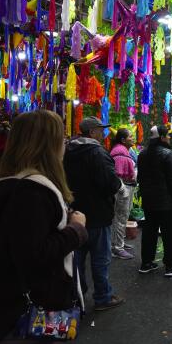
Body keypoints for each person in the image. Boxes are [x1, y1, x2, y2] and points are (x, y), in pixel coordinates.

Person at [0, 109, 88, 344]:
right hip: (26, 315)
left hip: (9, 309)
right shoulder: (33, 192)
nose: (65, 143)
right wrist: (76, 230)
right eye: (61, 137)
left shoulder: (16, 186)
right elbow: (35, 255)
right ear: (47, 144)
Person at [63, 117, 125, 311]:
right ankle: (103, 297)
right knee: (100, 259)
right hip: (98, 215)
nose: (103, 133)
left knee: (77, 259)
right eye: (100, 130)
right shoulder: (97, 152)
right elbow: (110, 182)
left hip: (75, 214)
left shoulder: (66, 150)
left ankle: (76, 296)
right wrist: (119, 188)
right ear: (92, 133)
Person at [136, 125, 172, 276]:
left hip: (148, 202)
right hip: (166, 204)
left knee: (149, 233)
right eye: (168, 135)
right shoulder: (168, 154)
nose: (170, 137)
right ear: (162, 137)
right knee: (169, 235)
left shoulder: (142, 154)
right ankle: (169, 267)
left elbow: (140, 178)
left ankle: (146, 263)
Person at [109, 128, 137, 260]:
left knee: (122, 217)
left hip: (126, 187)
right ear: (123, 140)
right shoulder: (120, 152)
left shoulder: (123, 150)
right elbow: (116, 175)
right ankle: (117, 248)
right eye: (130, 136)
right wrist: (123, 190)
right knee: (120, 218)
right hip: (123, 189)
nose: (133, 138)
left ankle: (118, 243)